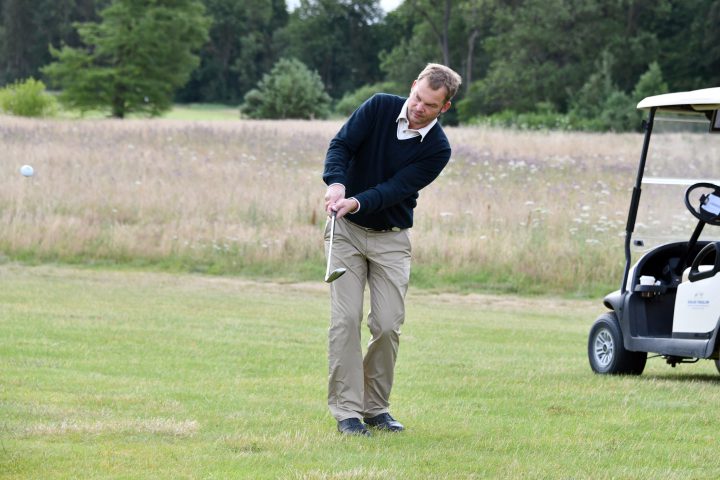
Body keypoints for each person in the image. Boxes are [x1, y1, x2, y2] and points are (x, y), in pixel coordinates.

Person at [322, 63, 462, 436]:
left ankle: (375, 408)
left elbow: (395, 188)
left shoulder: (437, 148)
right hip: (346, 233)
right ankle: (347, 413)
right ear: (413, 85)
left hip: (391, 238)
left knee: (386, 325)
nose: (418, 108)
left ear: (444, 107)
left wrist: (356, 201)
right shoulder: (381, 106)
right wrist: (337, 185)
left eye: (430, 105)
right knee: (346, 320)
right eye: (417, 97)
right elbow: (341, 144)